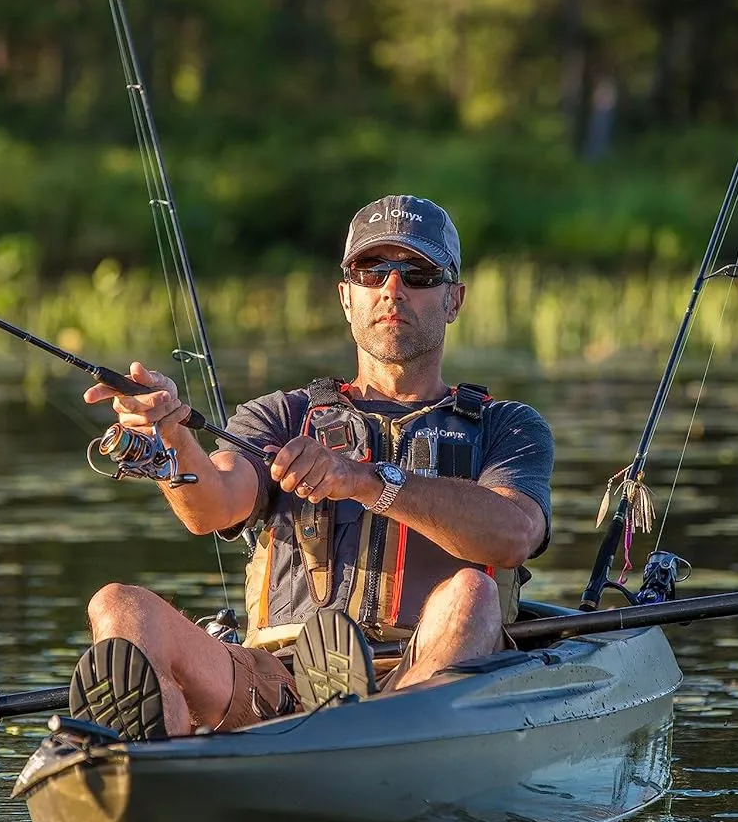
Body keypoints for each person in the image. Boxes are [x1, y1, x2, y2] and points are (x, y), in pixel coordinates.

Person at [70, 195, 554, 740]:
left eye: (417, 273)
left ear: (453, 299)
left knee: (473, 592)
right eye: (372, 272)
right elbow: (213, 504)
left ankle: (374, 729)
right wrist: (174, 438)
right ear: (347, 296)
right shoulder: (285, 415)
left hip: (427, 680)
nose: (392, 289)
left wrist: (367, 481)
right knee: (119, 607)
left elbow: (513, 534)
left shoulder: (505, 426)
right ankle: (150, 773)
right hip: (277, 679)